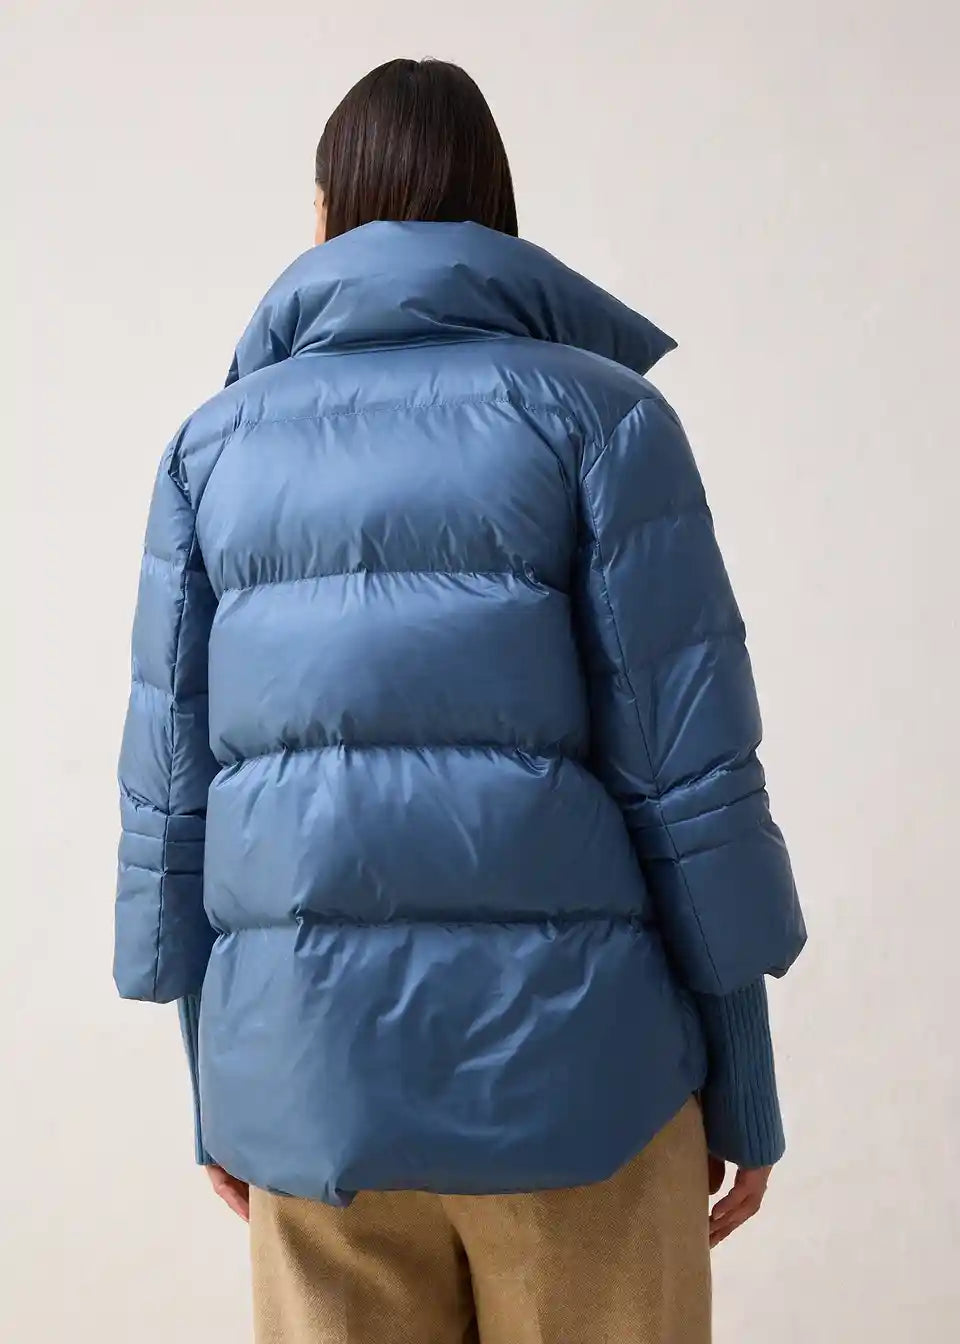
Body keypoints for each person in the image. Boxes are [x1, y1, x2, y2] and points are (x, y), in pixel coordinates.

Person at [114, 56, 806, 1344]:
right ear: (497, 211)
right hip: (584, 1091)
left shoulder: (213, 448)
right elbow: (691, 777)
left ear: (325, 214)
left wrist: (224, 1088)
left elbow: (180, 801)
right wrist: (745, 1087)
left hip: (309, 1088)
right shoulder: (602, 420)